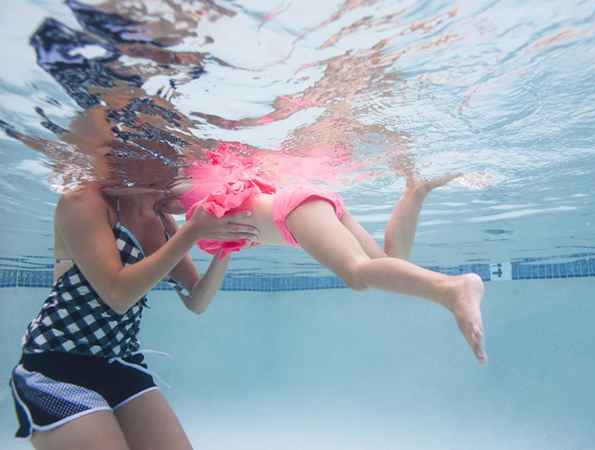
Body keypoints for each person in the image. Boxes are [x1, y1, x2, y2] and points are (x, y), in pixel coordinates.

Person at [8, 141, 260, 450]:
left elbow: (196, 300)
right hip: (56, 368)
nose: (175, 163)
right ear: (130, 152)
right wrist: (192, 231)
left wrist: (227, 245)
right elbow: (117, 295)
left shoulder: (163, 223)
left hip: (121, 361)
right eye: (164, 149)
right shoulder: (83, 201)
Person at [170, 144, 487, 365]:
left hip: (293, 212)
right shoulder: (198, 210)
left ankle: (452, 289)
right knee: (391, 264)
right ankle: (416, 190)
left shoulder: (185, 191)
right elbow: (199, 301)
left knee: (358, 274)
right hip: (304, 209)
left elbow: (197, 301)